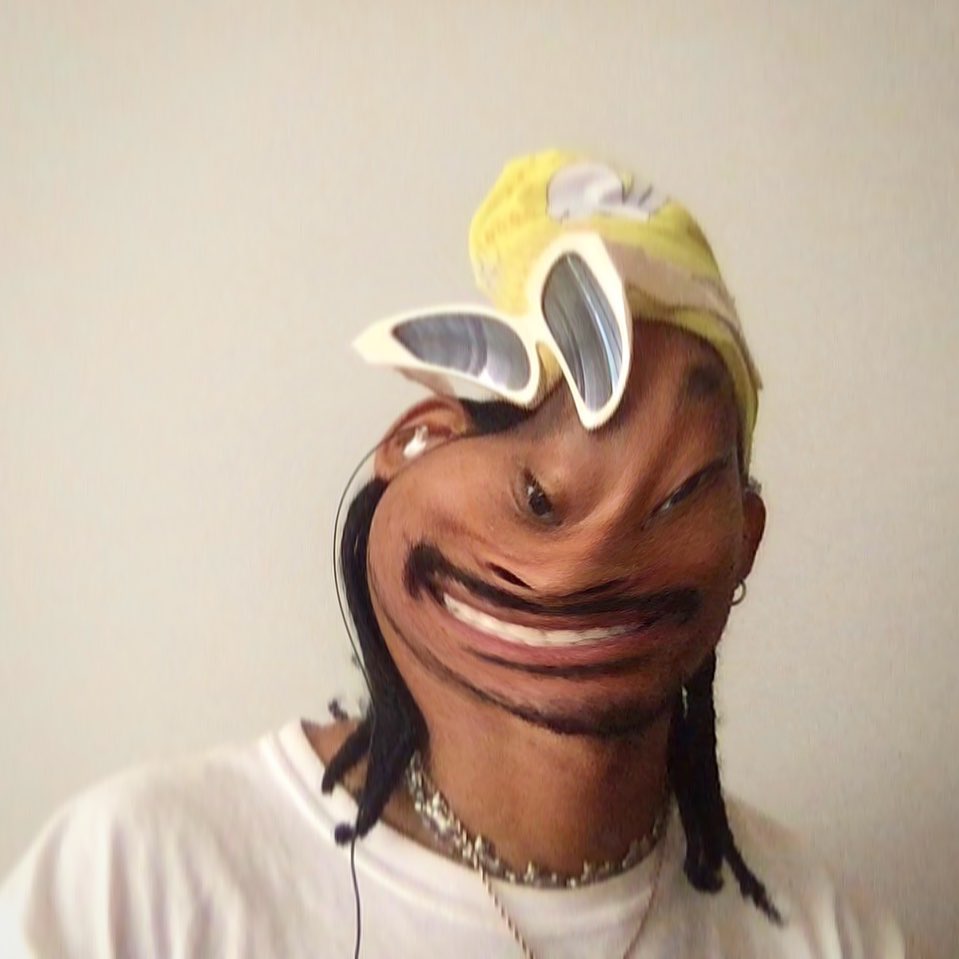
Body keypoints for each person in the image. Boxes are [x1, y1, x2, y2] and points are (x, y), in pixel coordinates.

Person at [0, 151, 906, 958]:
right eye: (539, 496)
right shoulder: (136, 885)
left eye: (675, 496)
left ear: (744, 540)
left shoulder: (830, 932)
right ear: (416, 441)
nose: (584, 565)